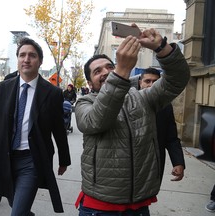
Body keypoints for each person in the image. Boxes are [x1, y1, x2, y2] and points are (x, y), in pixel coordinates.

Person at [74, 27, 190, 215]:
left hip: (138, 205)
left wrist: (161, 47)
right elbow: (95, 121)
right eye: (97, 71)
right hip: (99, 207)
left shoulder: (143, 97)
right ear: (89, 83)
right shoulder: (85, 103)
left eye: (109, 67)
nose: (105, 72)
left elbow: (177, 79)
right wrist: (120, 72)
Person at [0, 37, 71, 216]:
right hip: (5, 158)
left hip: (32, 160)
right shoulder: (4, 88)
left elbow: (59, 129)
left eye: (32, 56)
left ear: (40, 61)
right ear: (18, 59)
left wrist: (64, 158)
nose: (26, 59)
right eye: (22, 55)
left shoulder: (52, 93)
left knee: (17, 212)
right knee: (16, 204)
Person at [136, 67, 185, 182]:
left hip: (154, 164)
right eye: (147, 81)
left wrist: (178, 162)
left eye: (156, 82)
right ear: (140, 83)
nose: (151, 85)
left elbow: (171, 138)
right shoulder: (126, 103)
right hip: (129, 164)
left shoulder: (165, 106)